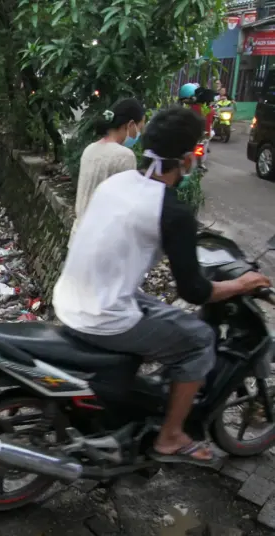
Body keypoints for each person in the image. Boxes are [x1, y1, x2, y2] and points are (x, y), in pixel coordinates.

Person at [53, 106, 272, 466]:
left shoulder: (117, 183)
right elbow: (196, 292)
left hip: (71, 298)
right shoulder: (171, 211)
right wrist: (242, 283)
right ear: (186, 160)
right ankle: (170, 437)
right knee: (200, 340)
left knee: (164, 314)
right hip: (102, 316)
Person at [72, 98, 145, 235]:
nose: (139, 135)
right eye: (139, 128)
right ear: (130, 125)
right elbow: (126, 207)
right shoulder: (125, 156)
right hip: (102, 240)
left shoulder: (90, 149)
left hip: (78, 237)